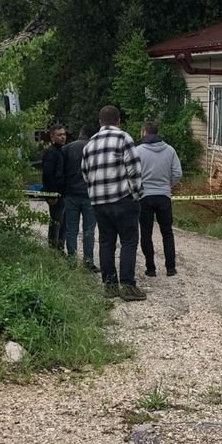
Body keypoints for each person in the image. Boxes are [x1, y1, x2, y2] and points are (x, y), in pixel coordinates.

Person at [81, 105, 145, 301]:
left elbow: (85, 174)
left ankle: (110, 286)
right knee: (129, 241)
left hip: (99, 202)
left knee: (106, 242)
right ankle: (128, 286)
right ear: (119, 121)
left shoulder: (89, 144)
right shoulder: (124, 138)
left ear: (100, 122)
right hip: (122, 199)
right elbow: (134, 170)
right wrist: (136, 195)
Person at [135, 121, 182, 277]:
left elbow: (133, 173)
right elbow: (177, 173)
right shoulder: (170, 150)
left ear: (144, 132)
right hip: (163, 196)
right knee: (167, 232)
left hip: (145, 196)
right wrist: (167, 185)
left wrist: (140, 187)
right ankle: (170, 268)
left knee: (146, 233)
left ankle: (151, 268)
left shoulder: (138, 151)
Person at [61, 125, 98, 271]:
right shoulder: (95, 148)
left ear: (80, 133)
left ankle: (72, 261)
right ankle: (88, 262)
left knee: (71, 229)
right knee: (89, 230)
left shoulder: (67, 148)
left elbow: (62, 170)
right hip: (90, 195)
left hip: (71, 194)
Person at [41, 124, 68, 250]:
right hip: (55, 194)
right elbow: (47, 174)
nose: (63, 137)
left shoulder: (62, 151)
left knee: (63, 223)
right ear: (52, 137)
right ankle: (53, 249)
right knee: (56, 223)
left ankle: (60, 248)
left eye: (64, 134)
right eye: (59, 135)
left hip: (63, 193)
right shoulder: (51, 152)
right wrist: (52, 194)